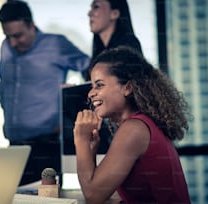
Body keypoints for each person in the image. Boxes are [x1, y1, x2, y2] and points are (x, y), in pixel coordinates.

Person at [74, 46, 191, 203]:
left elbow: (93, 196)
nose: (90, 93)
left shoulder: (134, 129)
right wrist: (89, 151)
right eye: (92, 86)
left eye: (99, 85)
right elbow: (108, 191)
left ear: (127, 88)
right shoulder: (140, 125)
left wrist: (80, 139)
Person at [0, 0, 90, 185]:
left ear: (31, 25)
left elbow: (90, 70)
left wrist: (71, 113)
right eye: (8, 36)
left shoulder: (56, 44)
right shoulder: (5, 47)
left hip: (46, 148)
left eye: (18, 35)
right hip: (14, 147)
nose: (13, 42)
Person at [85, 0, 142, 80]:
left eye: (96, 7)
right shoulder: (98, 52)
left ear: (114, 14)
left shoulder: (129, 45)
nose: (89, 13)